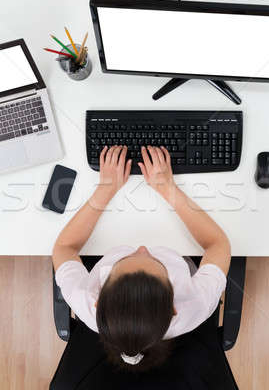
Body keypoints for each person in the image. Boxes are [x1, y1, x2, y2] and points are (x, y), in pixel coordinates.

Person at [52, 145, 231, 372]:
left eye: (125, 260)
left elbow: (63, 248)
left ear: (97, 300)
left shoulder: (85, 301)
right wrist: (168, 188)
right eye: (158, 265)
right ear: (175, 305)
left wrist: (106, 189)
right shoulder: (195, 303)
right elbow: (219, 244)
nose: (143, 248)